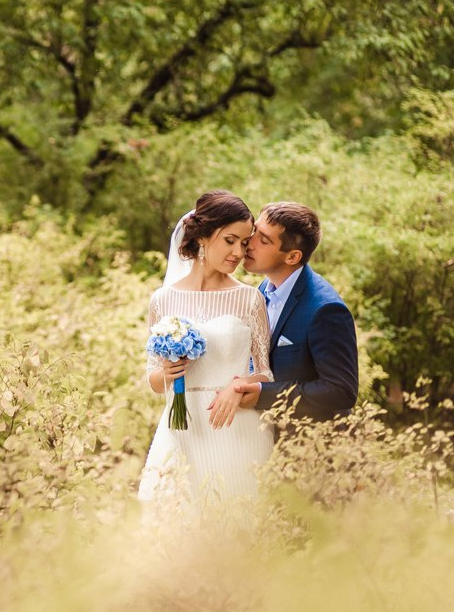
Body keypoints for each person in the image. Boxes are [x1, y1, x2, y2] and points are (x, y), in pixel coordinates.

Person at [138, 190, 274, 505]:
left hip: (235, 428)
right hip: (181, 430)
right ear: (202, 236)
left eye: (244, 243)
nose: (238, 252)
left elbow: (265, 372)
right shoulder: (163, 299)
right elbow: (154, 381)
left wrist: (239, 385)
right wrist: (169, 372)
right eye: (230, 240)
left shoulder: (249, 299)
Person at [227, 202, 359, 422]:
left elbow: (341, 391)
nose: (249, 243)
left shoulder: (326, 310)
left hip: (309, 443)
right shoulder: (262, 290)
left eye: (264, 240)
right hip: (260, 435)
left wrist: (264, 394)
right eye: (255, 231)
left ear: (292, 257)